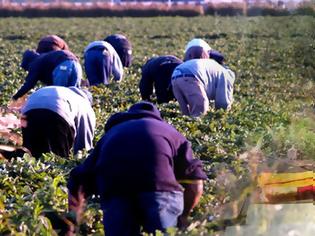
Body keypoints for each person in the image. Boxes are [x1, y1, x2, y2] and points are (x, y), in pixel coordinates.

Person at [67, 102, 207, 235]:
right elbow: (196, 183)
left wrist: (72, 223)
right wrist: (183, 216)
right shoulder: (170, 132)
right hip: (159, 190)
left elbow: (78, 179)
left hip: (116, 190)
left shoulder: (111, 135)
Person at [21, 86, 96, 158]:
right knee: (57, 158)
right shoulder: (84, 104)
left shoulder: (64, 91)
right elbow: (84, 146)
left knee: (32, 153)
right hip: (57, 114)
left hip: (28, 112)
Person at [171, 39, 235, 117]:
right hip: (191, 74)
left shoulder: (214, 67)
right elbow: (223, 102)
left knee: (185, 113)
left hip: (175, 74)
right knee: (201, 110)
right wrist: (222, 115)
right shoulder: (225, 74)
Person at [12, 49, 82, 100]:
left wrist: (15, 97)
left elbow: (29, 84)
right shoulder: (43, 58)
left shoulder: (35, 63)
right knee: (74, 95)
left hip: (63, 65)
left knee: (58, 96)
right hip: (76, 64)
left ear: (28, 62)